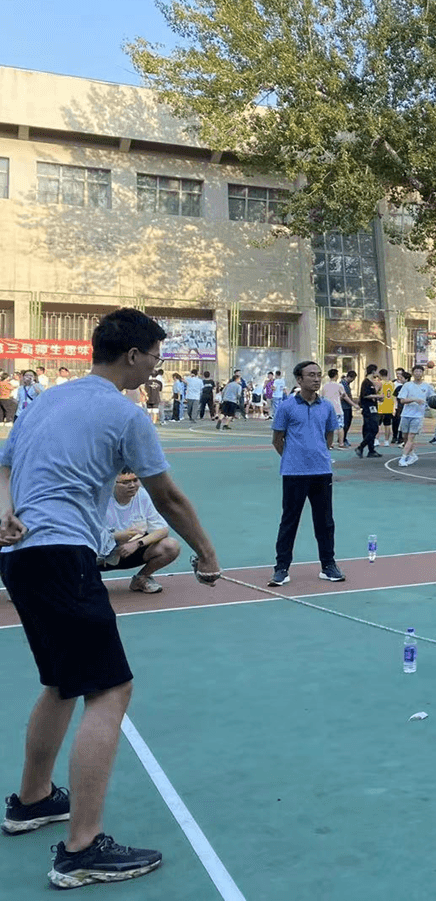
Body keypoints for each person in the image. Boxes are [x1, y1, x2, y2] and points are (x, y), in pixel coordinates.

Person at [0, 307, 221, 889]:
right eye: (155, 357)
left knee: (61, 681)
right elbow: (167, 498)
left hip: (20, 558)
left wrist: (4, 511)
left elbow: (3, 467)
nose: (155, 368)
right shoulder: (125, 413)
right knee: (110, 689)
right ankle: (82, 849)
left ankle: (33, 800)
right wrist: (206, 553)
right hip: (62, 556)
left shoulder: (45, 400)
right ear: (132, 354)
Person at [267, 360, 344, 586]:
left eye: (318, 374)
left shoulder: (327, 406)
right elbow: (277, 439)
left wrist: (317, 454)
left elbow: (329, 436)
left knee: (325, 521)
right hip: (294, 473)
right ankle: (281, 568)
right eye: (311, 375)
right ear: (299, 380)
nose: (316, 379)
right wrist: (293, 457)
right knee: (289, 521)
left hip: (322, 471)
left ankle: (328, 565)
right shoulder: (287, 406)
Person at [100, 469, 180, 593]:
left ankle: (141, 579)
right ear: (112, 483)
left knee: (171, 545)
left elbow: (162, 529)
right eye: (125, 482)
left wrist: (137, 543)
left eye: (135, 480)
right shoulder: (100, 499)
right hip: (99, 556)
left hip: (130, 552)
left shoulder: (142, 495)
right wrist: (118, 536)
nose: (132, 485)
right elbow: (87, 535)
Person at [395, 365, 435, 467]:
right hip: (406, 414)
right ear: (413, 373)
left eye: (420, 371)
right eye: (416, 371)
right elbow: (402, 400)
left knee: (411, 437)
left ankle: (403, 458)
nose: (418, 373)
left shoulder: (427, 386)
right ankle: (412, 455)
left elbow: (433, 398)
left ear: (423, 373)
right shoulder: (407, 385)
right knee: (405, 437)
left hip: (417, 416)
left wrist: (435, 403)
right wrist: (414, 399)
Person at [355, 364, 382, 458]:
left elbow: (372, 395)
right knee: (373, 429)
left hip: (373, 407)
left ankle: (371, 450)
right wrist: (377, 396)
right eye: (377, 371)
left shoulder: (372, 383)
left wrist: (378, 397)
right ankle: (361, 446)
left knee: (370, 429)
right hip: (368, 409)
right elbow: (365, 395)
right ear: (373, 372)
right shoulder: (366, 382)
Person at [376, 369, 396, 447]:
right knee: (387, 425)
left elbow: (376, 393)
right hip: (389, 406)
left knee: (378, 425)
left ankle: (376, 439)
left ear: (380, 375)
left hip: (380, 406)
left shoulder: (379, 383)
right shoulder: (392, 384)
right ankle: (386, 441)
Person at [338, 370, 358, 447]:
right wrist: (353, 404)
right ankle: (342, 439)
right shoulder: (343, 384)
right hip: (344, 407)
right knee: (345, 424)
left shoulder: (346, 384)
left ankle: (343, 437)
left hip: (348, 406)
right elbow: (345, 396)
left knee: (348, 422)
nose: (353, 381)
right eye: (353, 379)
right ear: (350, 377)